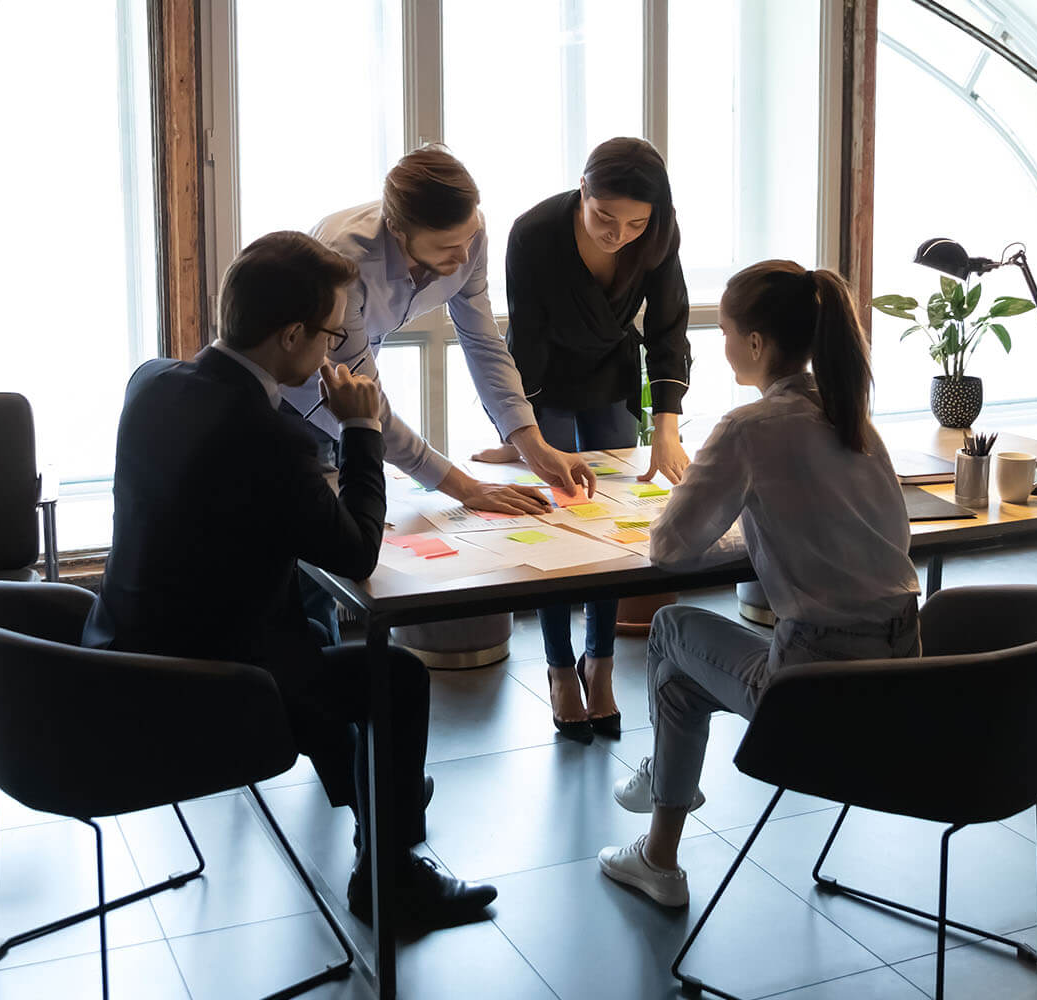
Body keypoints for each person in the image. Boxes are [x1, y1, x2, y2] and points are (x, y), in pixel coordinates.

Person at [83, 231, 496, 927]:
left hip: (117, 658)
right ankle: (389, 875)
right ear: (292, 334)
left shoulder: (151, 381)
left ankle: (383, 801)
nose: (335, 352)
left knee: (309, 634)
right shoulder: (270, 438)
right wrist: (363, 429)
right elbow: (358, 551)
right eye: (332, 337)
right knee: (395, 676)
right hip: (203, 691)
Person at [597, 261, 922, 907]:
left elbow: (670, 548)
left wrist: (734, 519)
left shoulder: (750, 428)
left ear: (755, 343)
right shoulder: (853, 417)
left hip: (813, 692)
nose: (720, 348)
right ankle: (659, 828)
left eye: (723, 332)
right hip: (905, 683)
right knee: (682, 680)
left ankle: (660, 835)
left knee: (670, 633)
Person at [294, 145, 595, 639]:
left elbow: (482, 340)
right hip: (297, 398)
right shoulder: (345, 257)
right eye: (447, 248)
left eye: (470, 237)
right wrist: (465, 488)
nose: (464, 257)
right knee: (310, 571)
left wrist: (532, 443)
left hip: (349, 390)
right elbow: (366, 404)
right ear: (399, 232)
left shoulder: (469, 238)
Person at [502, 136, 692, 742]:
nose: (619, 235)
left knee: (612, 524)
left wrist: (666, 428)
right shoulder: (533, 232)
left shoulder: (657, 233)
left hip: (611, 372)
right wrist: (523, 435)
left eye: (636, 223)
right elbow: (525, 336)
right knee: (558, 521)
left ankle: (600, 662)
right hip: (544, 377)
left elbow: (669, 326)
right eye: (605, 217)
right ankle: (560, 668)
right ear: (582, 189)